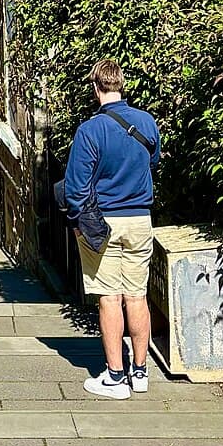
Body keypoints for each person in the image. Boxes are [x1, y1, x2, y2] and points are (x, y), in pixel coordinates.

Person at [63, 57, 161, 399]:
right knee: (137, 295)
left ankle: (115, 377)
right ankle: (140, 371)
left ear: (95, 87)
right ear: (121, 84)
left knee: (109, 297)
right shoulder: (147, 123)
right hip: (140, 219)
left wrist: (79, 224)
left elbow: (76, 189)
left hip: (103, 221)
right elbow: (152, 162)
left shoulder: (90, 130)